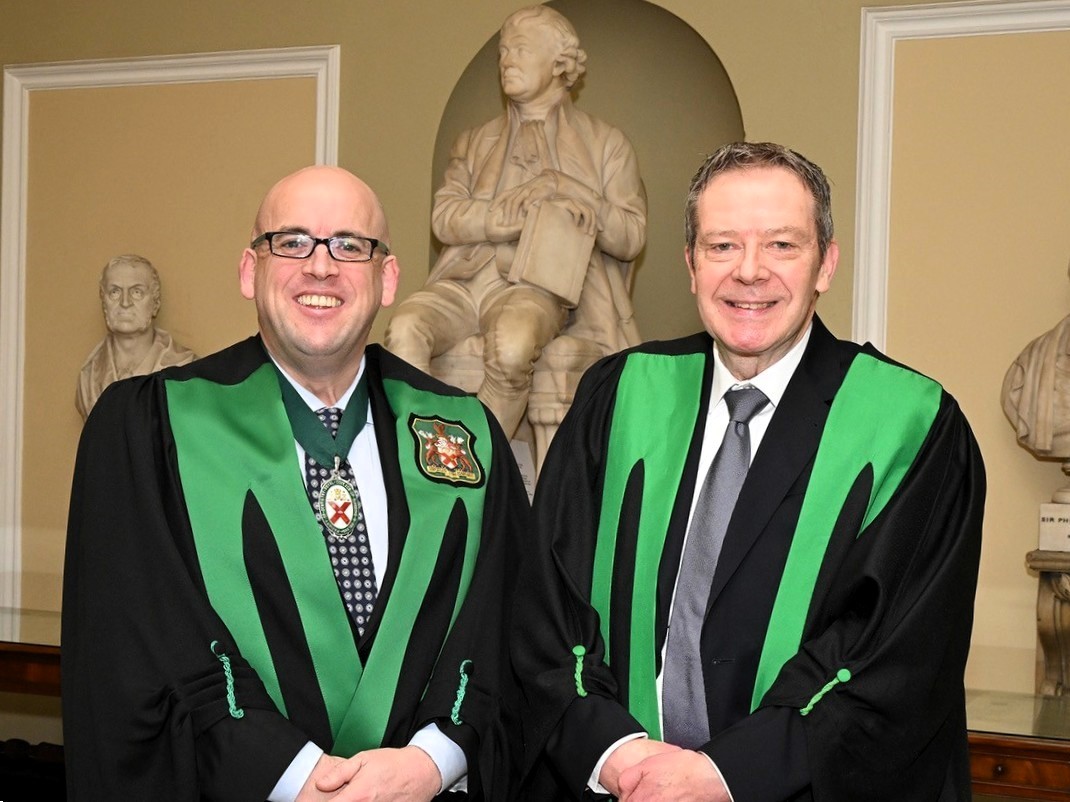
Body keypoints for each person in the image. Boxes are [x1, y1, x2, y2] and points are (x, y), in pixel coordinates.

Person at [513, 142, 985, 800]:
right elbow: (546, 605)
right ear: (690, 265)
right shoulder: (620, 395)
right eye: (723, 246)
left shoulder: (910, 425)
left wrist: (721, 774)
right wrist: (616, 755)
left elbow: (893, 656)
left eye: (783, 245)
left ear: (827, 263)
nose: (750, 273)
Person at [63, 166, 525, 800]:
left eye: (349, 245)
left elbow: (505, 620)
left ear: (386, 279)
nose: (321, 266)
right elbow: (136, 643)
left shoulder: (465, 433)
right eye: (292, 242)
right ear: (250, 269)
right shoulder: (148, 429)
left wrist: (433, 761)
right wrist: (292, 776)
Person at [384, 4, 646, 441]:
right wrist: (500, 219)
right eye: (504, 51)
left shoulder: (605, 144)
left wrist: (571, 191)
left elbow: (631, 235)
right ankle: (423, 462)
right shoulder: (473, 141)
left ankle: (478, 464)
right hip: (464, 284)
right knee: (404, 329)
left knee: (513, 344)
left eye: (521, 50)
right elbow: (445, 217)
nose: (507, 60)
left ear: (560, 62)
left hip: (536, 289)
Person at [75, 253, 196, 420]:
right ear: (104, 303)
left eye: (137, 292)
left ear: (155, 303)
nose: (125, 303)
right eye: (115, 292)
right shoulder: (88, 376)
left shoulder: (184, 368)